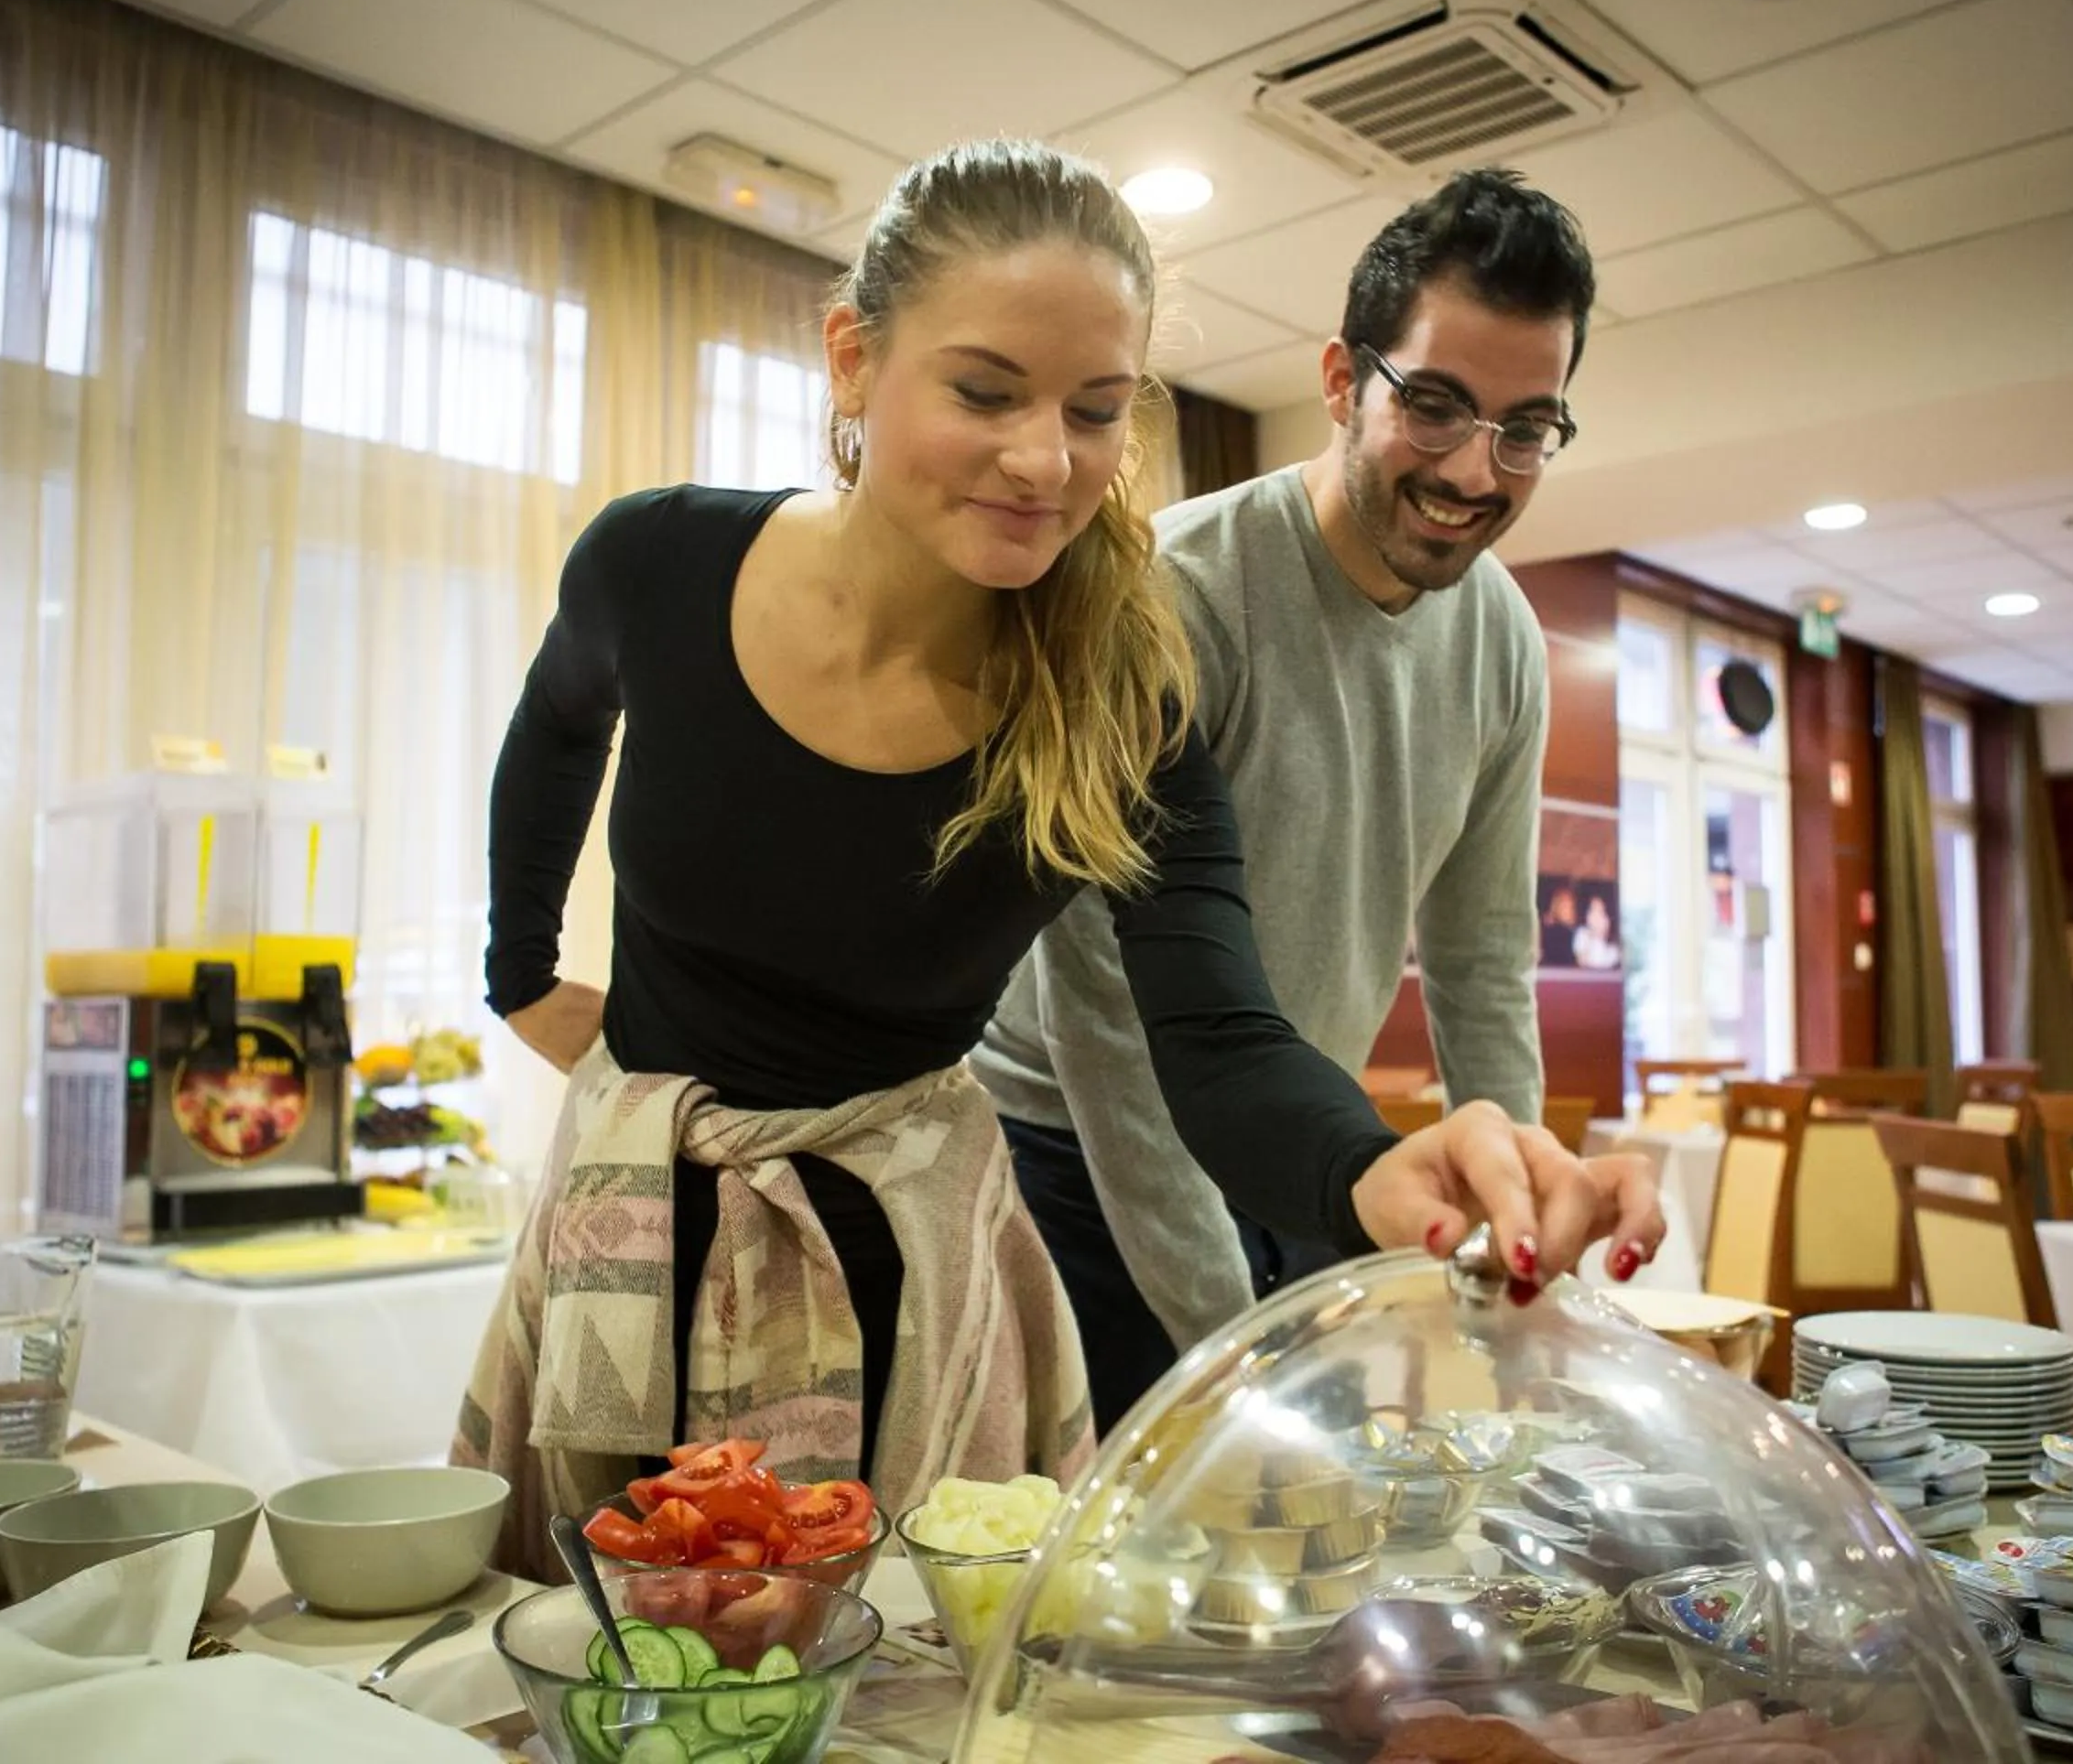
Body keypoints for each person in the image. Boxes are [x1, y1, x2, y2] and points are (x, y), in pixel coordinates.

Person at [452, 139, 1657, 1582]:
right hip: (635, 1223)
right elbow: (559, 722)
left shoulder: (1112, 687)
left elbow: (1213, 1035)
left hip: (911, 1256)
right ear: (854, 359)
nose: (1047, 460)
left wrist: (1375, 1167)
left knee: (883, 1668)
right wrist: (519, 969)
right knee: (599, 1651)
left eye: (1096, 412)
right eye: (985, 391)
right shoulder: (658, 562)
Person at [975, 170, 1663, 1429]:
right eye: (1440, 406)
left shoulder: (1502, 639)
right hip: (1072, 1146)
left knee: (1322, 1524)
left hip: (1304, 1134)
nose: (1476, 469)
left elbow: (1483, 962)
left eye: (1526, 427)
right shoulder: (1177, 600)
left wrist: (1509, 1220)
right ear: (1346, 382)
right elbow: (1108, 1028)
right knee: (1150, 1526)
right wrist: (1227, 1342)